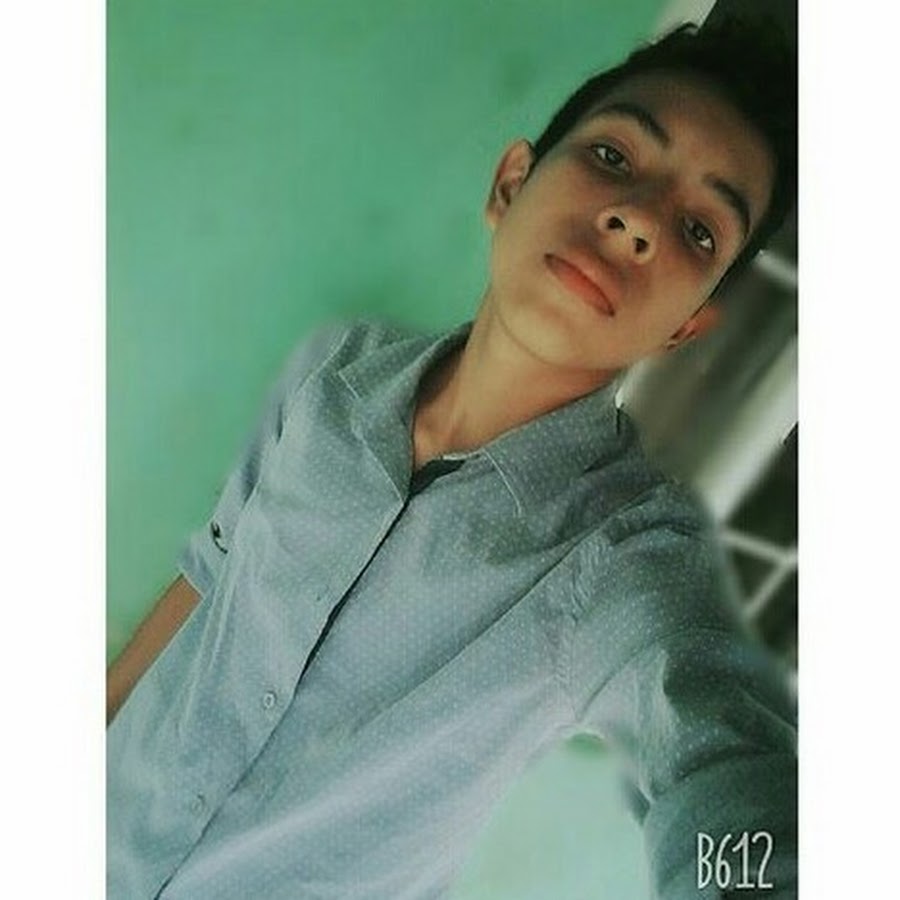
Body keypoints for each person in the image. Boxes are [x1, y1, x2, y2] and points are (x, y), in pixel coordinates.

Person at [107, 18, 798, 899]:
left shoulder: (626, 559)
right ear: (511, 184)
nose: (639, 222)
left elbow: (728, 782)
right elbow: (207, 578)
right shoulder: (334, 372)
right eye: (614, 158)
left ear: (683, 328)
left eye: (699, 231)